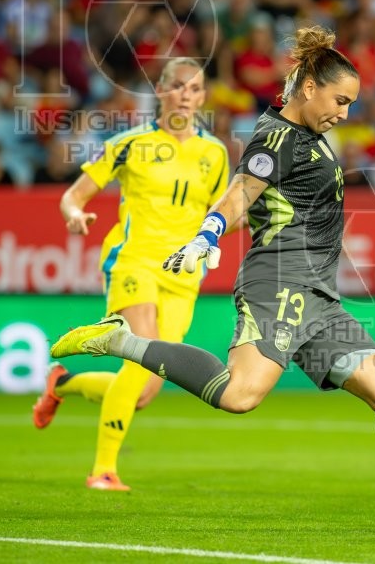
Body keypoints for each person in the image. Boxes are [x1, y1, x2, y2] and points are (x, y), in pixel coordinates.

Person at [49, 26, 375, 526]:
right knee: (239, 395)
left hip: (319, 295)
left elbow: (261, 205)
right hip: (279, 284)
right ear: (309, 88)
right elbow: (240, 194)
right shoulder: (276, 138)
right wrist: (208, 235)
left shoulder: (309, 136)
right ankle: (120, 341)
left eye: (351, 104)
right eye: (340, 101)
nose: (345, 114)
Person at [31, 57, 230, 491]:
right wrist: (74, 214)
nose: (186, 95)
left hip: (184, 276)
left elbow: (224, 214)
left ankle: (61, 384)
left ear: (203, 97)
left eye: (195, 89)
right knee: (141, 357)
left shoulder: (214, 154)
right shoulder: (129, 142)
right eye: (178, 86)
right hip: (134, 262)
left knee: (143, 391)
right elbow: (73, 195)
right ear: (160, 90)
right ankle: (103, 471)